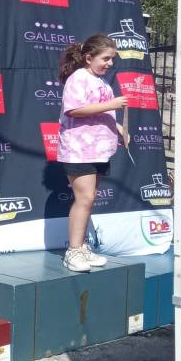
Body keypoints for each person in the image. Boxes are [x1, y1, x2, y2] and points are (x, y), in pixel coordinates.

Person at [56, 34, 128, 272]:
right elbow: (74, 110)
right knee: (84, 199)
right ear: (89, 58)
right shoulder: (78, 78)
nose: (110, 63)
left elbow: (102, 113)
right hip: (79, 150)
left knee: (89, 199)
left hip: (99, 151)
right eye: (105, 58)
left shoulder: (102, 82)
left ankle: (82, 247)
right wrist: (111, 105)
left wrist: (119, 129)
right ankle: (73, 251)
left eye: (112, 59)